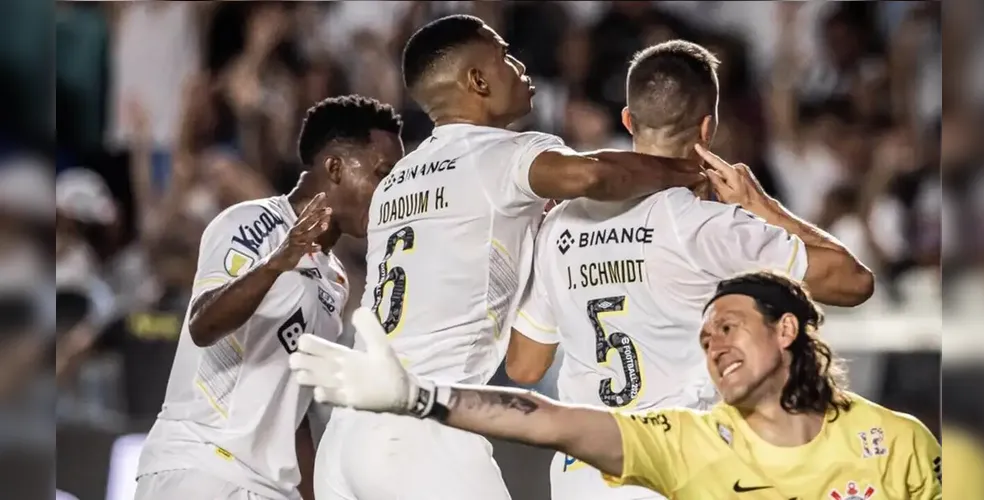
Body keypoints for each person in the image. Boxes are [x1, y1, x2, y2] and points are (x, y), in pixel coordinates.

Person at [312, 14, 706, 500]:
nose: (521, 67)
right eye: (505, 57)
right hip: (420, 427)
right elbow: (593, 177)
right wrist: (689, 171)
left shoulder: (397, 179)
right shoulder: (502, 154)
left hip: (346, 435)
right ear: (477, 81)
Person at [504, 41, 874, 500]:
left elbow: (524, 365)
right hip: (676, 466)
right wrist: (763, 207)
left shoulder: (559, 223)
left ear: (627, 120)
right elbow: (854, 281)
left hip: (583, 471)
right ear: (708, 126)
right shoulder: (706, 227)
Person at [290, 271, 942, 500]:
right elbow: (548, 420)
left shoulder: (898, 442)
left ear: (786, 331)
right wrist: (419, 397)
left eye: (730, 327)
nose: (713, 344)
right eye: (706, 335)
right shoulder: (692, 442)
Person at [134, 95, 404, 500]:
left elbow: (292, 407)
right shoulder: (251, 223)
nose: (390, 193)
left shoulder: (336, 280)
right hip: (203, 468)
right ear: (334, 167)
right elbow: (203, 325)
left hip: (269, 486)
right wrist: (277, 262)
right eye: (383, 174)